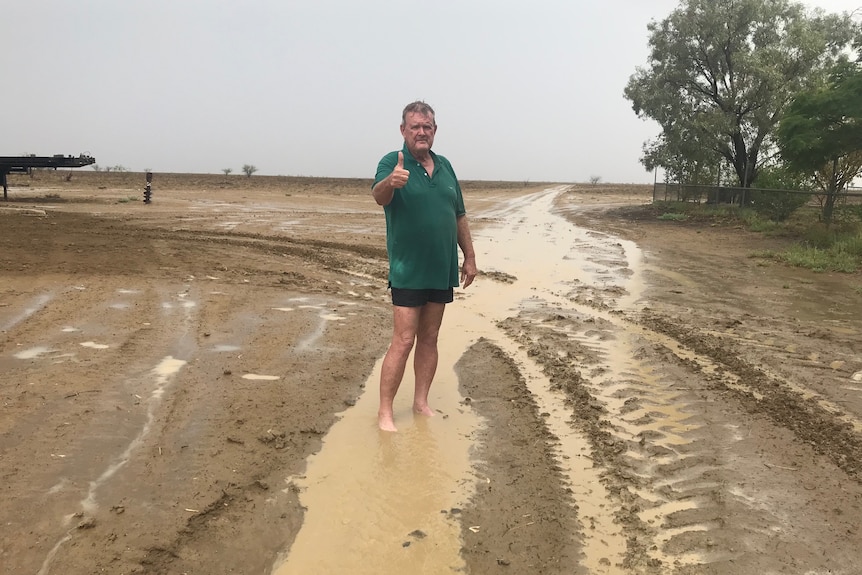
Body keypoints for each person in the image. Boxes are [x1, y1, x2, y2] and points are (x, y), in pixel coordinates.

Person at [372, 101, 477, 432]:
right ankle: (385, 412)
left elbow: (458, 213)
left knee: (429, 337)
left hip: (440, 268)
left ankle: (420, 402)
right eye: (415, 126)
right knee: (403, 340)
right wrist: (392, 182)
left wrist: (469, 257)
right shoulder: (392, 162)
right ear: (403, 130)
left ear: (435, 131)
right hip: (408, 268)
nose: (421, 132)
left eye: (427, 126)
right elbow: (378, 196)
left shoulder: (445, 166)